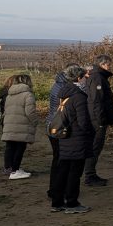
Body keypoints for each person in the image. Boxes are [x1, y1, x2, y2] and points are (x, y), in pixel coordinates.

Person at [50, 65, 95, 214]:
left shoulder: (64, 93)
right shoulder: (79, 97)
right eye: (83, 77)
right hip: (77, 138)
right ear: (78, 78)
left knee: (62, 170)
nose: (85, 80)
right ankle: (72, 203)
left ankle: (57, 202)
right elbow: (83, 122)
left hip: (65, 137)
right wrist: (91, 132)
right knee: (75, 173)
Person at [84, 54, 113, 186]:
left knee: (96, 147)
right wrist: (100, 120)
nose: (110, 67)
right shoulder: (97, 77)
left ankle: (91, 173)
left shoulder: (97, 76)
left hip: (97, 118)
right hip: (97, 120)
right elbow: (96, 101)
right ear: (103, 64)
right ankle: (90, 175)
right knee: (95, 147)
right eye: (109, 64)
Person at [46, 64, 78, 198]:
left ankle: (55, 189)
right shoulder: (65, 88)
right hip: (60, 126)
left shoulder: (58, 84)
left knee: (58, 159)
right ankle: (58, 190)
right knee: (62, 161)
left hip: (53, 124)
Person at [0, 74, 39, 179]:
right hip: (22, 125)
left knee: (10, 147)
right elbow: (30, 112)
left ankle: (8, 168)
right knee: (20, 148)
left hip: (9, 124)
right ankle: (15, 170)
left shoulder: (9, 94)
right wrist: (35, 122)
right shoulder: (28, 95)